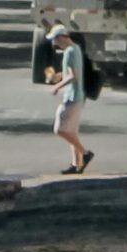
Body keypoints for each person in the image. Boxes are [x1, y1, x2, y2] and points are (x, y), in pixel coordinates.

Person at [44, 22, 93, 175]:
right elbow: (70, 73)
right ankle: (75, 163)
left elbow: (72, 76)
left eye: (55, 39)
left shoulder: (69, 52)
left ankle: (85, 153)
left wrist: (56, 87)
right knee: (72, 131)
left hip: (72, 96)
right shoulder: (76, 48)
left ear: (61, 37)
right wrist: (57, 77)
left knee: (60, 129)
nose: (54, 43)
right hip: (79, 95)